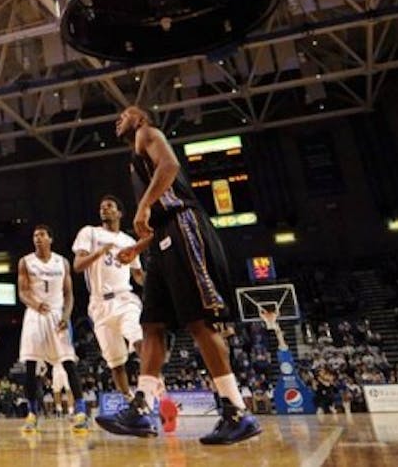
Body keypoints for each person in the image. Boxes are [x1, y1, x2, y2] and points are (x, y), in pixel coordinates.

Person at [96, 106, 261, 445]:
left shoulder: (147, 134)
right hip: (162, 240)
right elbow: (157, 216)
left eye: (125, 113)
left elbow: (170, 166)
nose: (119, 118)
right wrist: (140, 247)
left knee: (200, 321)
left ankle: (236, 411)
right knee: (151, 324)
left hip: (184, 227)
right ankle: (141, 408)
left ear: (140, 118)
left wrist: (142, 205)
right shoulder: (134, 158)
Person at [72, 195, 146, 401]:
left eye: (109, 206)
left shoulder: (128, 241)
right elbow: (77, 266)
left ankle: (156, 389)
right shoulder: (90, 232)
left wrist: (159, 285)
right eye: (102, 207)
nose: (104, 209)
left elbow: (138, 275)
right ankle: (130, 401)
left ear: (119, 213)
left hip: (124, 298)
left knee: (138, 338)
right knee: (116, 363)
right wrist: (99, 253)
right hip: (99, 305)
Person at [17, 225, 89, 433]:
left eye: (41, 235)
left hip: (57, 315)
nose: (37, 238)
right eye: (34, 235)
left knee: (68, 363)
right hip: (35, 315)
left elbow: (69, 294)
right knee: (30, 366)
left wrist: (66, 316)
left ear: (50, 239)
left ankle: (81, 411)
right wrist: (35, 304)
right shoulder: (25, 262)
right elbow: (22, 292)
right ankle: (32, 413)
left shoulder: (62, 262)